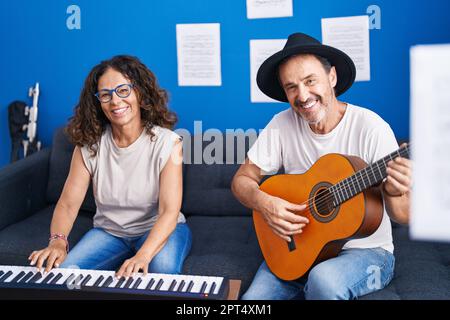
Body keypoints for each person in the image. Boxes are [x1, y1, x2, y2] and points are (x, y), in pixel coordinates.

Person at [231, 33, 412, 300]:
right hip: (300, 249)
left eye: (310, 81)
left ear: (332, 78)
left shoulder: (372, 127)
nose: (302, 96)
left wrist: (396, 192)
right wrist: (264, 203)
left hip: (368, 253)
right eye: (291, 87)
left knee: (323, 281)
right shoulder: (281, 124)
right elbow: (241, 180)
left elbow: (402, 215)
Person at [28, 55, 191, 280]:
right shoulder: (89, 146)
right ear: (97, 102)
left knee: (160, 271)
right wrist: (58, 242)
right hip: (110, 232)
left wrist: (142, 256)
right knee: (66, 274)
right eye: (106, 95)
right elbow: (67, 204)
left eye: (123, 90)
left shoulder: (169, 142)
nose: (115, 101)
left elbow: (169, 212)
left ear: (140, 93)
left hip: (158, 230)